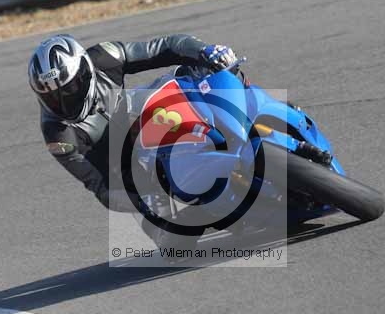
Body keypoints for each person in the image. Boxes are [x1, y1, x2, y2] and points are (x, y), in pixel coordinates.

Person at [28, 34, 238, 217]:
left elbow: (162, 47)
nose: (63, 102)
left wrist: (203, 51)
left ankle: (239, 125)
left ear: (84, 72)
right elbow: (100, 187)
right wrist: (142, 202)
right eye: (52, 97)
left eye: (69, 90)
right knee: (174, 241)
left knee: (193, 71)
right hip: (132, 172)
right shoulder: (58, 135)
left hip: (142, 115)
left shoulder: (105, 57)